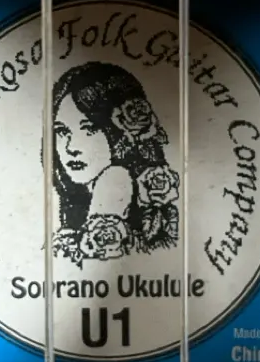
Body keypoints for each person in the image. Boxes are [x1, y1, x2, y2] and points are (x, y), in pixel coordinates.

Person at [49, 61, 179, 265]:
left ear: (122, 132)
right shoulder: (87, 193)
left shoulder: (115, 177)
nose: (71, 147)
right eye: (62, 131)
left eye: (90, 129)